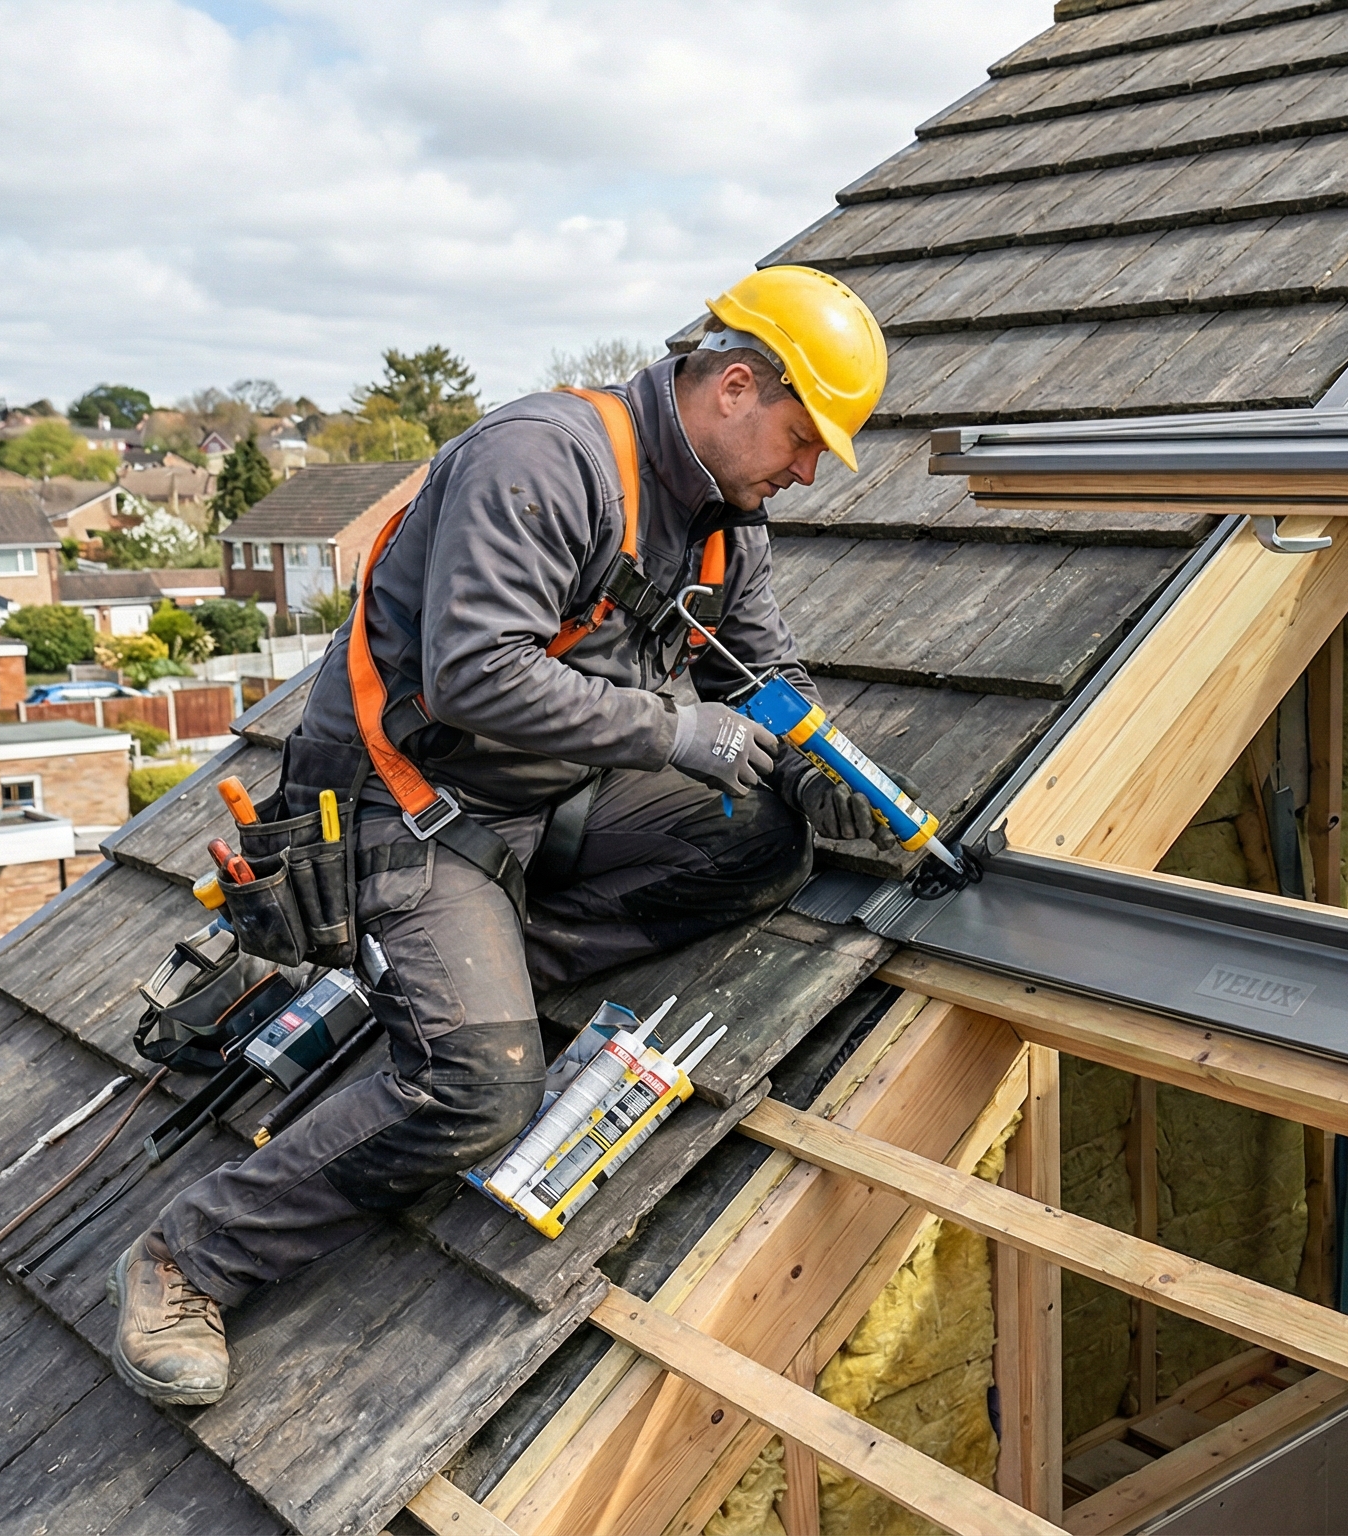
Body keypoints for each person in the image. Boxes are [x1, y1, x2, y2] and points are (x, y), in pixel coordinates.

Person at [109, 268, 892, 1407]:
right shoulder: (544, 460)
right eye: (805, 434)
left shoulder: (728, 519)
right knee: (481, 1090)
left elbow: (764, 672)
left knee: (764, 838)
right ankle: (192, 1256)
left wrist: (825, 760)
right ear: (734, 386)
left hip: (552, 796)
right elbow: (474, 674)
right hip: (411, 805)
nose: (808, 467)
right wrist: (679, 733)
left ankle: (462, 981)